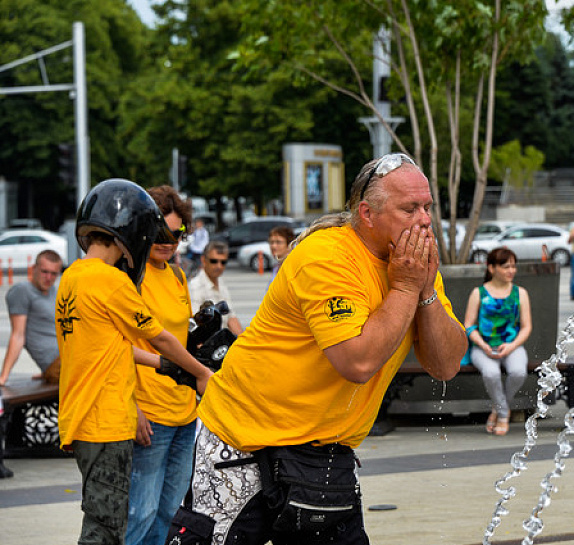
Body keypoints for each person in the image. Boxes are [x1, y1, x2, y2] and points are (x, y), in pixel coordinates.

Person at [164, 153, 466, 545]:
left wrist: (425, 292)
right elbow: (357, 361)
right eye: (409, 208)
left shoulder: (410, 263)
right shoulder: (326, 255)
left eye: (428, 207)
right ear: (367, 214)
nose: (424, 220)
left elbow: (445, 365)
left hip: (323, 453)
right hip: (243, 441)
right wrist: (406, 288)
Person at [56, 179, 213, 545]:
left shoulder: (72, 278)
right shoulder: (112, 282)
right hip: (107, 422)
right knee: (108, 528)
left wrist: (165, 366)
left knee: (107, 520)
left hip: (83, 418)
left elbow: (104, 346)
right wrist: (202, 372)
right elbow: (159, 337)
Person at [126, 186, 199, 545]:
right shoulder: (130, 277)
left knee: (171, 512)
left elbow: (182, 341)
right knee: (139, 514)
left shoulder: (177, 275)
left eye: (177, 234)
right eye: (160, 234)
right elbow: (115, 347)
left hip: (185, 412)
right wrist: (132, 406)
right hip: (150, 415)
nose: (168, 242)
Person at [463, 247, 532, 436]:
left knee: (518, 372)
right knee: (491, 373)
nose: (511, 270)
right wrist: (483, 345)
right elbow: (468, 325)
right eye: (506, 266)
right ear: (491, 268)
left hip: (512, 345)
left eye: (513, 266)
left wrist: (511, 345)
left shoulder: (520, 293)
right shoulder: (479, 293)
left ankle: (498, 407)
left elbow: (526, 327)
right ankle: (503, 414)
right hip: (482, 347)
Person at [0, 250, 62, 386]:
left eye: (54, 273)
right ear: (34, 269)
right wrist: (3, 376)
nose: (49, 277)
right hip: (58, 364)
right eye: (44, 271)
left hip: (66, 358)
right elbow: (17, 335)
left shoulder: (53, 291)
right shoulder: (22, 291)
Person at [188, 241, 243, 335]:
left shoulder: (220, 282)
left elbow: (231, 317)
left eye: (223, 262)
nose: (219, 266)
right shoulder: (195, 286)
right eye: (214, 261)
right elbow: (194, 326)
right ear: (203, 260)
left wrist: (243, 342)